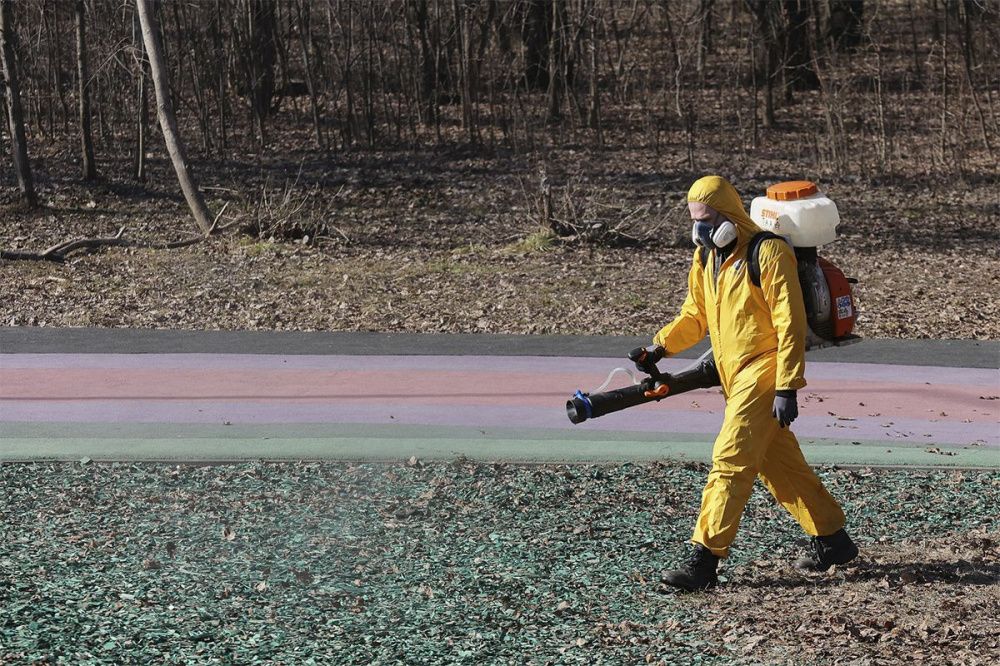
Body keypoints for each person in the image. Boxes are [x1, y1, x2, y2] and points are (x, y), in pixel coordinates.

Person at [653, 175, 858, 591]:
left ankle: (703, 561)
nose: (701, 229)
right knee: (779, 464)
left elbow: (789, 322)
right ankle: (833, 539)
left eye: (708, 219)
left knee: (730, 460)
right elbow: (696, 316)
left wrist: (787, 385)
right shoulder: (707, 259)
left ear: (729, 215)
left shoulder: (768, 252)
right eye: (695, 220)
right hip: (735, 374)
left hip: (765, 371)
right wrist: (657, 348)